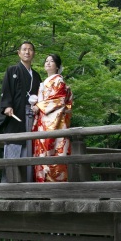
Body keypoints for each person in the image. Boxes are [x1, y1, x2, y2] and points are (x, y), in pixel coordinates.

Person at [0, 41, 42, 182]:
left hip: (31, 116)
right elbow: (6, 89)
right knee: (13, 148)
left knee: (29, 148)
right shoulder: (12, 70)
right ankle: (9, 185)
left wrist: (39, 106)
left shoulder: (36, 76)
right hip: (15, 115)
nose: (27, 52)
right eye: (24, 49)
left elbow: (41, 96)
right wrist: (7, 106)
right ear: (19, 53)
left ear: (33, 53)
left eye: (30, 50)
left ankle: (27, 184)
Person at [31, 53, 73, 182]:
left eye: (51, 61)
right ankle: (42, 187)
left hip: (54, 122)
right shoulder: (45, 82)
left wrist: (39, 106)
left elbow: (59, 100)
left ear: (57, 66)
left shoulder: (59, 81)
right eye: (46, 61)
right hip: (43, 121)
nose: (48, 63)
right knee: (41, 153)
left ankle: (54, 186)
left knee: (54, 150)